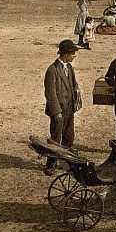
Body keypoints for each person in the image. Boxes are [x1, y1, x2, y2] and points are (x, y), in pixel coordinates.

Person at [43, 39, 82, 174]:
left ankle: (66, 163)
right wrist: (56, 112)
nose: (74, 56)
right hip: (58, 111)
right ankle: (50, 165)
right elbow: (50, 93)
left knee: (68, 136)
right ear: (65, 54)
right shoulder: (52, 70)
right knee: (55, 138)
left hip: (69, 108)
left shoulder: (69, 68)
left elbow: (72, 85)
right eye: (73, 54)